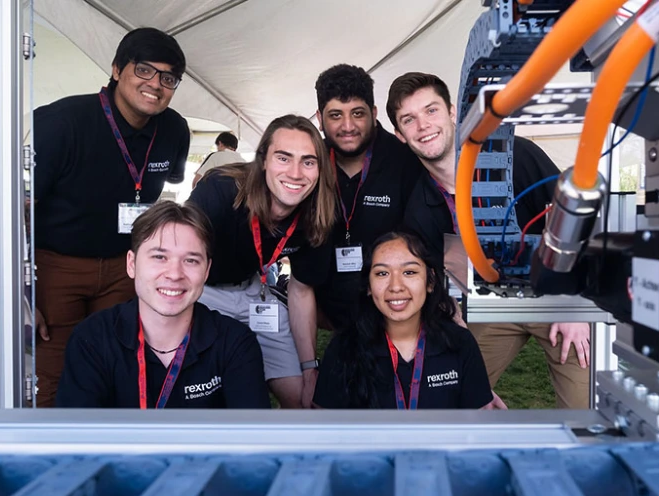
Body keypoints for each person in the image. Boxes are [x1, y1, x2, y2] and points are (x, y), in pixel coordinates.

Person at [389, 72, 592, 409]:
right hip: (489, 301)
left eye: (431, 111)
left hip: (556, 292)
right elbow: (437, 281)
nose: (423, 125)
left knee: (585, 415)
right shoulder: (418, 208)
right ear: (400, 135)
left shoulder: (515, 155)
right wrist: (466, 374)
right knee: (449, 394)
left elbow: (575, 218)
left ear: (453, 113)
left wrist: (574, 304)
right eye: (409, 119)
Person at [31, 28, 192, 407]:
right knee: (53, 377)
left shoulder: (174, 130)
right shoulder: (61, 122)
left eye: (169, 78)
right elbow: (20, 206)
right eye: (145, 70)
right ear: (118, 69)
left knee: (121, 367)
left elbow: (169, 187)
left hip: (127, 266)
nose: (156, 85)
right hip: (57, 267)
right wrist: (22, 292)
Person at [56, 201, 270, 409]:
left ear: (206, 271)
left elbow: (252, 440)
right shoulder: (92, 339)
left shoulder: (235, 343)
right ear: (131, 264)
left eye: (191, 260)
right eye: (159, 257)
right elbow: (77, 439)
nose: (175, 274)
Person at [187, 115, 337, 409]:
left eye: (308, 161)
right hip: (202, 291)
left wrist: (309, 369)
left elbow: (301, 290)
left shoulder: (317, 211)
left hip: (256, 292)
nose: (295, 173)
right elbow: (179, 263)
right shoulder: (221, 191)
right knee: (206, 394)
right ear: (264, 160)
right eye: (283, 158)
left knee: (304, 401)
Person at [313, 232, 493, 409]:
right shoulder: (343, 348)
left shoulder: (460, 344)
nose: (396, 286)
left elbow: (477, 425)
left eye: (409, 272)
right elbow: (325, 428)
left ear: (430, 282)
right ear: (368, 286)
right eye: (382, 273)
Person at [312, 64, 424, 331]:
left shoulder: (406, 159)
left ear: (373, 114)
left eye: (358, 114)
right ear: (319, 117)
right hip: (329, 312)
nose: (348, 126)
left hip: (394, 310)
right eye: (336, 115)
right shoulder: (310, 162)